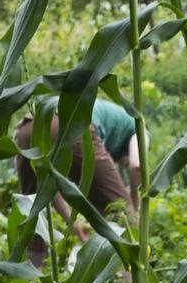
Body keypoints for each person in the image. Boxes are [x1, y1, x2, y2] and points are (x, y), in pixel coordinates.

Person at [12, 99, 143, 268]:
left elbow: (49, 185)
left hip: (28, 127)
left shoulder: (111, 121)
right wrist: (135, 203)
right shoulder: (137, 126)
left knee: (33, 221)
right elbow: (137, 165)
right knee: (124, 221)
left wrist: (71, 222)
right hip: (71, 122)